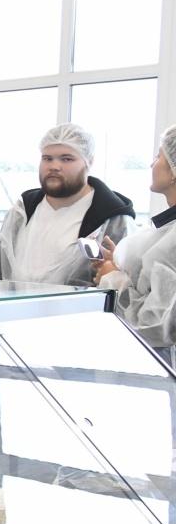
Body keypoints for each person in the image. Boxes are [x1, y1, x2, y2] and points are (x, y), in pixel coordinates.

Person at [0, 123, 133, 287]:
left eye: (67, 159)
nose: (54, 167)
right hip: (14, 303)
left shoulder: (112, 219)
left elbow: (121, 287)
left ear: (89, 162)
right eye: (47, 158)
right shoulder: (23, 210)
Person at [95, 125, 176, 363]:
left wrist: (112, 278)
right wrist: (124, 267)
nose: (152, 164)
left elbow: (156, 325)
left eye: (159, 156)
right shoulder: (166, 230)